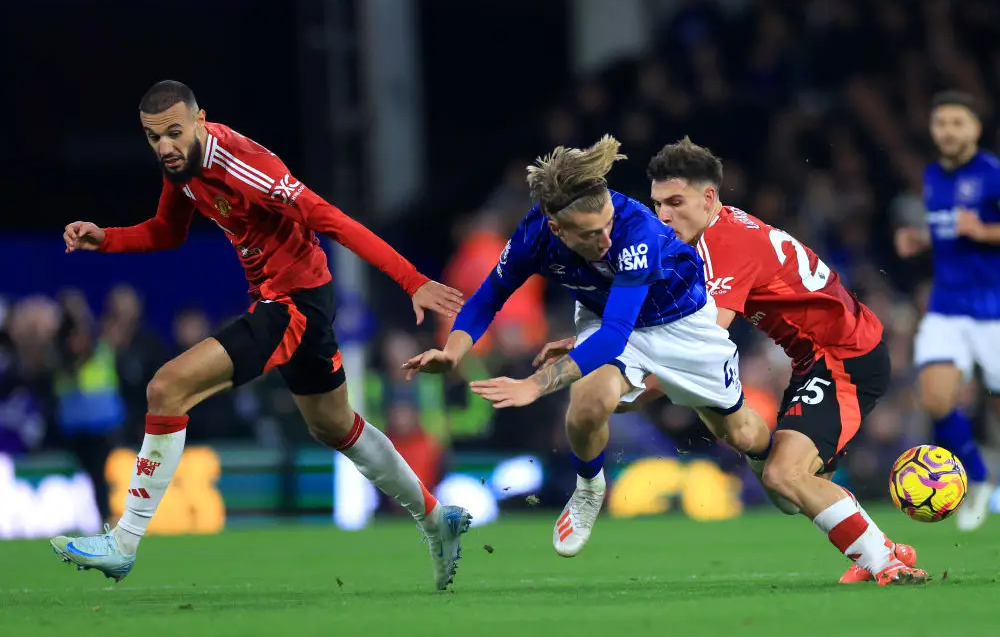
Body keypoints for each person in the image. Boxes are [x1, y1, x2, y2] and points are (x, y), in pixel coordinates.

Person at [51, 80, 471, 590]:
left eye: (174, 133)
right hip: (290, 299)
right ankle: (436, 519)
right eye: (152, 136)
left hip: (293, 305)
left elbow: (332, 220)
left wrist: (414, 280)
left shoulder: (244, 166)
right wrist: (107, 238)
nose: (163, 146)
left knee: (166, 387)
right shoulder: (181, 166)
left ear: (201, 119)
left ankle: (123, 543)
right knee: (335, 427)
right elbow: (169, 231)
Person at [537, 138, 927, 586]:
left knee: (785, 475)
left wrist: (629, 385)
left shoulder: (726, 245)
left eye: (676, 202)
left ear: (709, 197)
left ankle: (885, 561)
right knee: (796, 486)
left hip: (845, 357)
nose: (663, 215)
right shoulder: (707, 236)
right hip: (816, 358)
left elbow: (697, 347)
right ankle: (878, 547)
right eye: (657, 202)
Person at [403, 135, 772, 558]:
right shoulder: (535, 235)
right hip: (606, 313)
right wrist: (453, 351)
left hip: (680, 324)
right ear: (557, 228)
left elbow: (617, 333)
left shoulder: (636, 233)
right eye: (592, 233)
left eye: (608, 224)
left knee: (739, 433)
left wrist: (535, 385)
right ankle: (589, 487)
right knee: (588, 401)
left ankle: (769, 463)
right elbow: (488, 298)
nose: (607, 239)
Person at [894, 91, 1000, 538]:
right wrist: (921, 240)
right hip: (947, 308)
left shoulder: (996, 176)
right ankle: (978, 476)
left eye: (957, 123)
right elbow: (949, 229)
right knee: (935, 397)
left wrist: (985, 230)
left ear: (975, 130)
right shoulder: (933, 176)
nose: (948, 131)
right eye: (941, 123)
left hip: (996, 311)